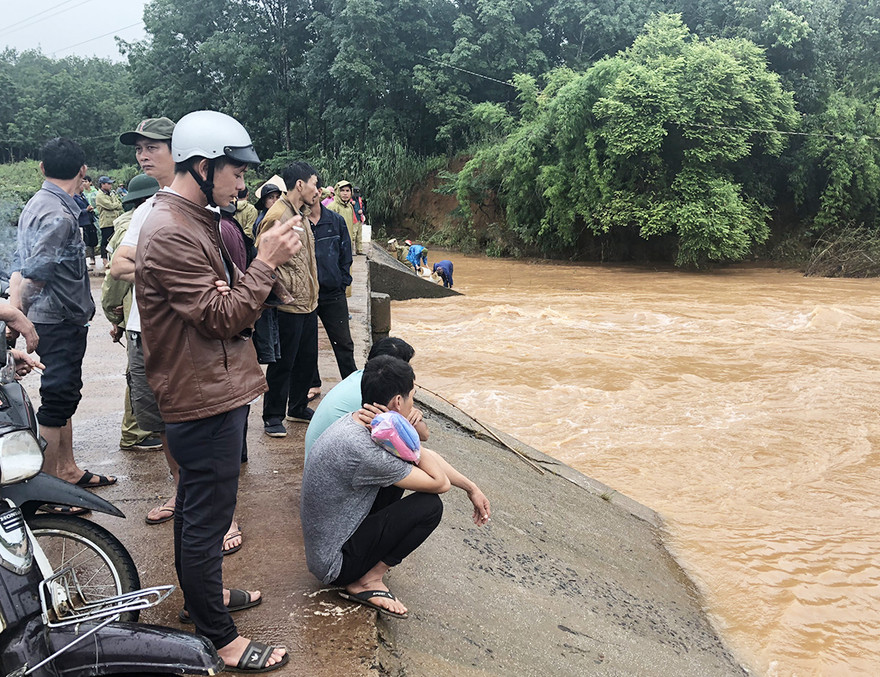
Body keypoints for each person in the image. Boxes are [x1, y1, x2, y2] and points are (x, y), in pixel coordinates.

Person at [136, 110, 299, 672]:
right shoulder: (171, 230)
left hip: (213, 388)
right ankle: (219, 635)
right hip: (200, 395)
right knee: (206, 517)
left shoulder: (194, 216)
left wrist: (247, 272)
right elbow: (220, 314)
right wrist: (267, 262)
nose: (243, 183)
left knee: (201, 512)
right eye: (236, 170)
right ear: (204, 166)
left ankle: (204, 599)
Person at [301, 355, 491, 618]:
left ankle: (365, 570)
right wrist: (408, 435)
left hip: (331, 541)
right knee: (429, 506)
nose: (414, 405)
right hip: (335, 565)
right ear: (398, 402)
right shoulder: (364, 448)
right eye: (412, 397)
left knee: (402, 468)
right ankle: (366, 581)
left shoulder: (361, 421)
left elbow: (420, 455)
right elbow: (439, 482)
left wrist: (472, 488)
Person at [7, 137, 115, 498]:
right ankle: (51, 488)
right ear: (83, 172)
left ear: (41, 168)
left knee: (66, 393)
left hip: (59, 317)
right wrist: (17, 315)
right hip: (58, 319)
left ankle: (67, 469)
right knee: (57, 398)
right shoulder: (56, 213)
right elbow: (35, 272)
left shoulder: (38, 203)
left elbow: (22, 267)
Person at [110, 116, 183, 526]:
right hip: (142, 332)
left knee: (197, 425)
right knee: (161, 427)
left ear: (179, 149)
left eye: (152, 146)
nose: (142, 155)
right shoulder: (147, 209)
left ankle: (219, 514)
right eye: (139, 148)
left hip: (182, 335)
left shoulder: (203, 207)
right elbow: (119, 265)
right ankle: (181, 493)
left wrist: (152, 264)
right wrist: (172, 266)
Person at [101, 173, 163, 453]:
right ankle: (132, 434)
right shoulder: (136, 223)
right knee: (137, 374)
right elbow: (116, 276)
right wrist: (117, 317)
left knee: (139, 373)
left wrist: (116, 316)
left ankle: (135, 431)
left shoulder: (124, 223)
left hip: (130, 306)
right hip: (136, 305)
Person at [257, 161, 320, 437]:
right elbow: (262, 255)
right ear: (300, 185)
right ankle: (272, 415)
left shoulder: (301, 214)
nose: (317, 190)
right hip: (288, 303)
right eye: (314, 184)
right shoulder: (278, 215)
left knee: (307, 359)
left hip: (309, 301)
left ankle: (297, 407)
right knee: (283, 363)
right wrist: (280, 292)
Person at [305, 336, 426, 456]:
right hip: (332, 463)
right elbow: (421, 436)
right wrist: (407, 415)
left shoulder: (362, 378)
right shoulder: (375, 395)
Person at [307, 176, 356, 402]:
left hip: (333, 293)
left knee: (343, 342)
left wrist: (342, 281)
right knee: (307, 344)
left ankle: (351, 385)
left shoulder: (335, 221)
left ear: (319, 192)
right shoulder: (298, 223)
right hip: (306, 294)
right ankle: (312, 384)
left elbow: (346, 255)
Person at [94, 175, 123, 267]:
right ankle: (104, 258)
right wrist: (116, 205)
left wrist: (116, 204)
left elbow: (119, 203)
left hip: (115, 220)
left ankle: (113, 258)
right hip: (106, 222)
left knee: (114, 240)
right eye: (108, 183)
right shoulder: (99, 195)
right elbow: (110, 206)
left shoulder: (111, 193)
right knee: (105, 241)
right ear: (102, 184)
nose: (110, 185)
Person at [327, 180, 360, 255]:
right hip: (335, 246)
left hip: (347, 243)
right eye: (342, 190)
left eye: (347, 191)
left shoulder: (350, 207)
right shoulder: (332, 207)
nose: (345, 193)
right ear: (337, 192)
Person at [73, 176, 98, 270]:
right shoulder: (74, 197)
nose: (83, 186)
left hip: (89, 221)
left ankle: (89, 260)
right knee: (82, 244)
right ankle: (83, 264)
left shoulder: (82, 196)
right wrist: (85, 210)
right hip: (81, 223)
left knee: (91, 242)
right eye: (81, 184)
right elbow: (75, 211)